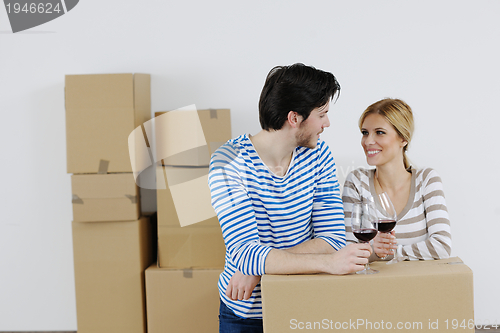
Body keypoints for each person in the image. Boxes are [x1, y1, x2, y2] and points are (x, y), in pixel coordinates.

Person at [208, 63, 372, 333]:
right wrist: (328, 264)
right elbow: (245, 252)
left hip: (303, 302)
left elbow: (332, 239)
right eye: (322, 114)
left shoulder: (318, 156)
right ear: (294, 118)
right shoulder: (229, 161)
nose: (327, 123)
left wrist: (258, 267)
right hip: (247, 313)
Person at [342, 98, 452, 262]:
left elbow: (442, 247)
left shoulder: (426, 180)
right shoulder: (357, 181)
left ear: (403, 139)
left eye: (379, 132)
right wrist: (374, 251)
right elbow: (348, 251)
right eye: (365, 133)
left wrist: (387, 253)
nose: (368, 141)